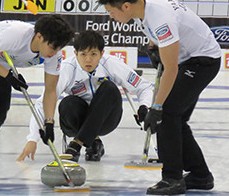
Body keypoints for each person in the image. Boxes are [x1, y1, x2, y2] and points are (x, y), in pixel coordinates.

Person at [97, 0, 221, 196]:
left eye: (111, 11)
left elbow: (171, 69)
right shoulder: (143, 4)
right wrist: (155, 47)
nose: (111, 17)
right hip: (189, 58)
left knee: (167, 114)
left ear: (125, 6)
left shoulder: (160, 18)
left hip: (203, 61)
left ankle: (172, 178)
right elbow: (162, 40)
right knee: (176, 117)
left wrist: (156, 106)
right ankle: (200, 176)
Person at [0, 14, 74, 186]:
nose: (54, 53)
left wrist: (48, 122)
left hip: (1, 63)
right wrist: (8, 76)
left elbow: (50, 91)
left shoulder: (53, 53)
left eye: (59, 48)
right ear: (39, 37)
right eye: (52, 47)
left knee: (0, 112)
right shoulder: (16, 35)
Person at [17, 30, 153, 163]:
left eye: (94, 54)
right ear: (75, 53)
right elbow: (44, 102)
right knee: (67, 103)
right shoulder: (66, 68)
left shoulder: (111, 63)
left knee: (110, 88)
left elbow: (144, 86)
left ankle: (76, 145)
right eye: (83, 54)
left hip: (106, 120)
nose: (88, 59)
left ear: (101, 54)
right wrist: (32, 139)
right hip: (75, 121)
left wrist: (144, 106)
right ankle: (94, 142)